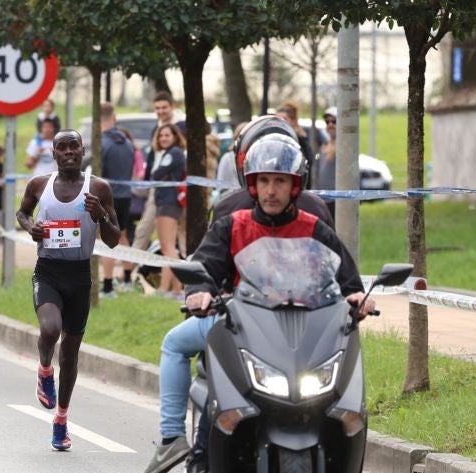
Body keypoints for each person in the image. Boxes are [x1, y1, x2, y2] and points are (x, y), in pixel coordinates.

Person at [143, 122, 334, 473]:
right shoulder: (310, 210)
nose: (271, 188)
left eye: (279, 179)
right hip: (256, 321)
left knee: (175, 345)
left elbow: (337, 272)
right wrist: (200, 293)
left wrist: (354, 299)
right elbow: (206, 263)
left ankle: (173, 439)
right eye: (265, 179)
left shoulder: (293, 215)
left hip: (277, 323)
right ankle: (192, 447)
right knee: (214, 381)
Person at [16, 129, 121, 451]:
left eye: (73, 145)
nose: (68, 152)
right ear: (54, 152)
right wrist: (29, 227)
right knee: (50, 329)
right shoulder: (39, 184)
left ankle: (61, 421)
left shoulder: (98, 188)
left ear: (82, 149)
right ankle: (44, 368)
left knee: (71, 353)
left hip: (79, 276)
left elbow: (115, 239)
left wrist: (100, 215)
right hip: (48, 271)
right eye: (61, 147)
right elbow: (22, 212)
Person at [213, 115, 334, 225]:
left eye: (280, 180)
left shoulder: (227, 209)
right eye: (264, 180)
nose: (271, 191)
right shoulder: (316, 208)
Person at [126, 92, 187, 287]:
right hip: (158, 194)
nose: (160, 111)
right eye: (157, 108)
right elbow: (154, 170)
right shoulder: (157, 131)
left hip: (172, 197)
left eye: (164, 107)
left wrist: (162, 175)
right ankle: (132, 276)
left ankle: (178, 286)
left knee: (175, 243)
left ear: (172, 106)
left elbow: (161, 171)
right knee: (153, 237)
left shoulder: (181, 133)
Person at [98, 102, 135, 298]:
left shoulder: (101, 143)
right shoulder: (127, 142)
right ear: (114, 117)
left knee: (106, 240)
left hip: (108, 198)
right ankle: (128, 280)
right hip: (126, 196)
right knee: (123, 236)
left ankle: (107, 286)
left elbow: (97, 174)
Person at [151, 123, 187, 299]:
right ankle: (176, 290)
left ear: (175, 137)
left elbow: (156, 175)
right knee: (170, 247)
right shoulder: (170, 153)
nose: (163, 138)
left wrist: (161, 175)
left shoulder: (174, 153)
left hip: (168, 203)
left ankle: (166, 290)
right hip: (166, 202)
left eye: (167, 135)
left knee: (168, 248)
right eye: (161, 135)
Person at [315, 106, 338, 219]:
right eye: (327, 121)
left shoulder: (345, 149)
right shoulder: (323, 147)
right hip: (323, 201)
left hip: (337, 201)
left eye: (334, 121)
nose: (330, 125)